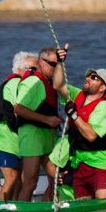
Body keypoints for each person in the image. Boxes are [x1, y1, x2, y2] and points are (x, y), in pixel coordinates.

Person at [0, 51, 38, 201]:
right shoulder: (14, 82)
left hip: (11, 137)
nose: (34, 73)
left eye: (36, 69)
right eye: (31, 68)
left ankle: (15, 207)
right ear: (18, 69)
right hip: (0, 135)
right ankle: (4, 211)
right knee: (11, 176)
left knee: (19, 177)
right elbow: (17, 109)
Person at [14, 46, 64, 202]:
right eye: (52, 64)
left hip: (47, 136)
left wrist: (61, 61)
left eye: (57, 65)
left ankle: (47, 210)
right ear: (40, 62)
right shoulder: (33, 81)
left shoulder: (49, 82)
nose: (54, 68)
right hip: (32, 136)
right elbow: (19, 108)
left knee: (55, 179)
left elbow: (59, 84)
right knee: (30, 182)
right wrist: (47, 119)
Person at [60, 67, 106, 199]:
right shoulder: (78, 95)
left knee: (103, 205)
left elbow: (91, 136)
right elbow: (58, 85)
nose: (88, 79)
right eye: (88, 76)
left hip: (100, 164)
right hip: (80, 164)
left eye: (94, 78)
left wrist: (74, 115)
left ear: (102, 88)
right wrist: (59, 61)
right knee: (83, 206)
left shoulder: (104, 106)